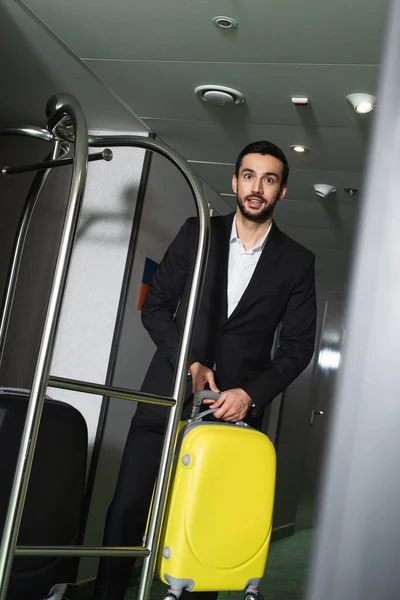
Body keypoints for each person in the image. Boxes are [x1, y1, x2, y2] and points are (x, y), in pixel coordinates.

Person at [92, 140, 317, 600]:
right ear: (235, 182)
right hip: (166, 397)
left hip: (228, 415)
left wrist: (249, 395)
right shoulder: (198, 231)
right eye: (249, 176)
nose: (257, 188)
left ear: (282, 191)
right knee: (127, 509)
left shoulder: (297, 261)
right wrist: (189, 363)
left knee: (206, 524)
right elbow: (155, 306)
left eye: (269, 179)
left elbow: (297, 348)